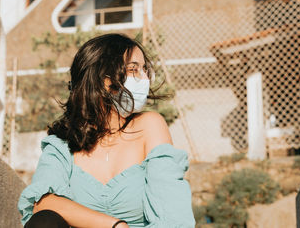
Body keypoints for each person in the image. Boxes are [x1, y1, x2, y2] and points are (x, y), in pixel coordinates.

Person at [17, 33, 195, 228]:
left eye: (145, 70)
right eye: (133, 69)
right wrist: (114, 225)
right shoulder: (62, 141)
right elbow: (43, 203)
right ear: (102, 79)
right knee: (45, 222)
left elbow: (173, 216)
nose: (145, 78)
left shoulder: (150, 125)